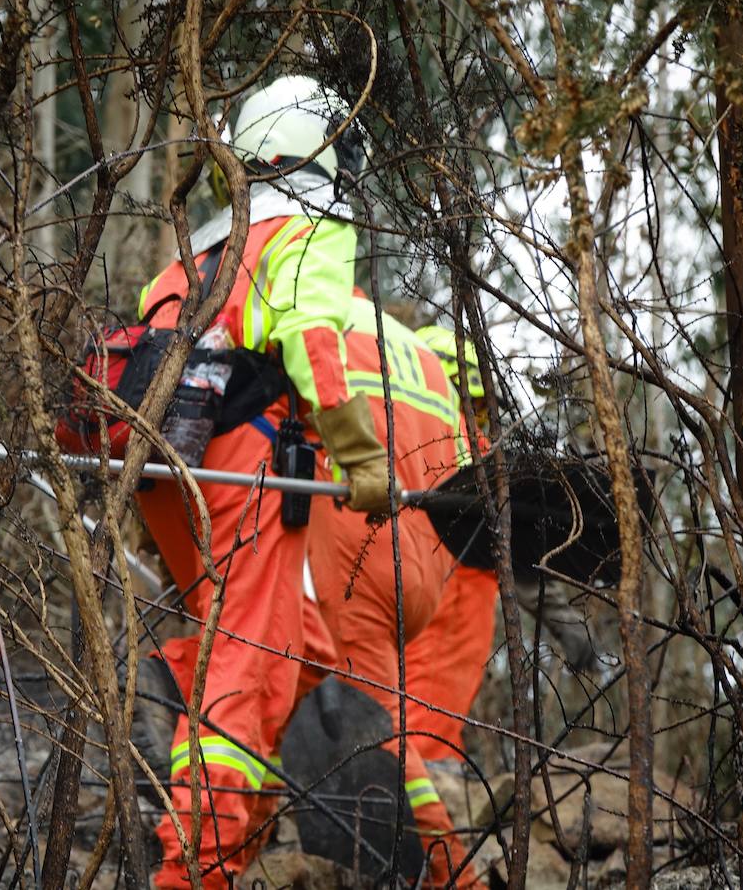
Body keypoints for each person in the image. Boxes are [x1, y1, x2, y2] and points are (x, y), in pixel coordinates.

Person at [131, 74, 394, 889]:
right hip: (239, 467)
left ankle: (201, 721)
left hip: (163, 470)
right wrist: (362, 457)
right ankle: (195, 872)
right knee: (240, 672)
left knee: (291, 645)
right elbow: (316, 341)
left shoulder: (197, 253)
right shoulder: (309, 231)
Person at [303, 297, 488, 889]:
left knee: (383, 725)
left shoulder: (322, 323)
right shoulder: (422, 367)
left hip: (359, 553)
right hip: (421, 568)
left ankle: (451, 876)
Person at [404, 325, 595, 773]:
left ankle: (418, 770)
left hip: (433, 611)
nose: (479, 416)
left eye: (482, 408)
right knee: (428, 693)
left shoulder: (413, 449)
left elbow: (522, 561)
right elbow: (522, 563)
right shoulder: (467, 461)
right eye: (475, 404)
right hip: (443, 612)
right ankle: (419, 775)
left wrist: (570, 629)